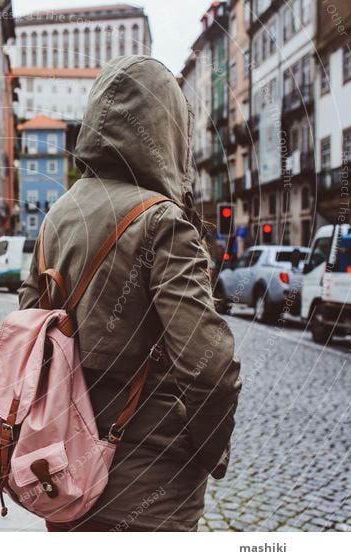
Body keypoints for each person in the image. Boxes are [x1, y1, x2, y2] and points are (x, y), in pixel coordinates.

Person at [18, 56, 242, 532]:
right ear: (168, 132)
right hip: (152, 486)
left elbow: (31, 336)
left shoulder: (57, 215)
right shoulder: (163, 222)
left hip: (66, 473)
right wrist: (207, 455)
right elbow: (210, 367)